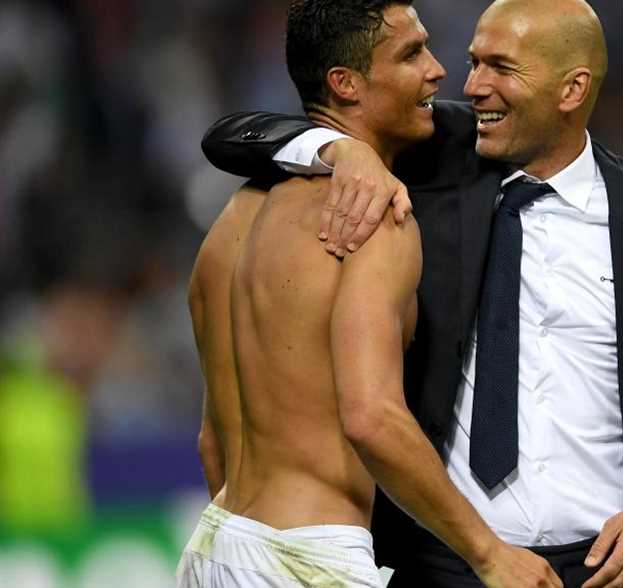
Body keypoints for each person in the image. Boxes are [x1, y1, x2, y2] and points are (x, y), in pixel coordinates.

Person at [201, 0, 623, 586]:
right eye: (474, 62)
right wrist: (337, 149)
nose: (471, 85)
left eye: (500, 68)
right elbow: (237, 135)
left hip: (613, 567)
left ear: (572, 89)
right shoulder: (426, 159)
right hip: (452, 563)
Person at [180, 1, 561, 587]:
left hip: (218, 541)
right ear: (346, 84)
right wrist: (489, 553)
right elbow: (372, 418)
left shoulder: (232, 220)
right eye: (411, 54)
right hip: (311, 555)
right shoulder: (373, 218)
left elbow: (213, 441)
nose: (437, 70)